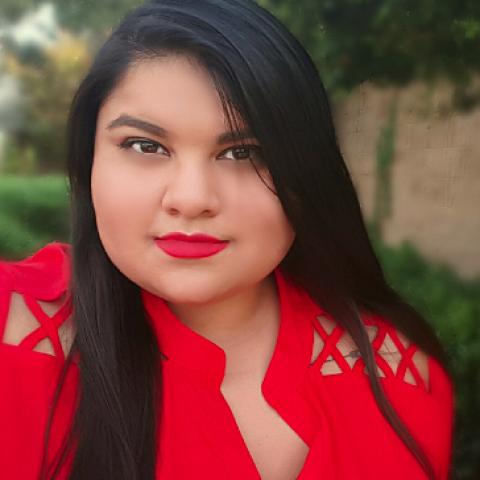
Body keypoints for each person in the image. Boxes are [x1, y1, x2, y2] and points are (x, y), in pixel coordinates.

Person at [0, 0, 455, 479]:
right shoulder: (13, 329)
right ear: (87, 160)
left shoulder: (401, 376)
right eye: (145, 146)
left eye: (243, 151)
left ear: (308, 174)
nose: (192, 199)